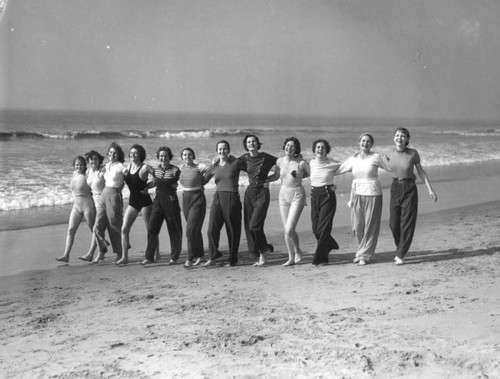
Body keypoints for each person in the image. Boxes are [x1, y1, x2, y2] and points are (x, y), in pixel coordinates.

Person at [338, 133, 391, 266]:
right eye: (363, 141)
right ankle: (362, 250)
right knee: (357, 226)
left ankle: (364, 255)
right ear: (359, 142)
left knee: (370, 227)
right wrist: (317, 168)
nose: (365, 143)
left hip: (373, 193)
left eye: (368, 141)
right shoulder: (354, 158)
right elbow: (339, 169)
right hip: (357, 193)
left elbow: (392, 168)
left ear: (371, 144)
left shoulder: (376, 157)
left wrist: (390, 158)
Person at [387, 127, 438, 265]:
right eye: (397, 135)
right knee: (393, 224)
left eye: (403, 136)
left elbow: (421, 172)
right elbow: (374, 161)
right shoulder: (388, 152)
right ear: (394, 138)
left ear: (407, 139)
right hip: (394, 187)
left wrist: (430, 189)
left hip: (409, 188)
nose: (399, 138)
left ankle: (400, 254)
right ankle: (401, 247)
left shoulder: (413, 153)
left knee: (407, 223)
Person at [239, 134, 278, 266]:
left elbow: (281, 163)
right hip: (249, 193)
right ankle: (263, 249)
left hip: (262, 193)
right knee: (253, 226)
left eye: (253, 141)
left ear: (257, 143)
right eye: (249, 142)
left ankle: (263, 251)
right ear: (246, 145)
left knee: (254, 226)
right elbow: (231, 165)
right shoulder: (244, 158)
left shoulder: (265, 157)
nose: (251, 143)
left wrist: (272, 178)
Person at [204, 140, 244, 267]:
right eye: (220, 149)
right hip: (217, 197)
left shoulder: (236, 162)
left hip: (232, 198)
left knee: (232, 230)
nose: (222, 151)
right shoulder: (214, 165)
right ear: (217, 151)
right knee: (211, 229)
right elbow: (203, 181)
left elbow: (253, 170)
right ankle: (213, 255)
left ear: (229, 150)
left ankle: (233, 259)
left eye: (225, 148)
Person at [141, 147, 182, 265]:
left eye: (166, 156)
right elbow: (154, 182)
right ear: (158, 157)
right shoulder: (156, 170)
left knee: (174, 230)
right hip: (158, 201)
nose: (163, 158)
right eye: (161, 156)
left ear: (170, 157)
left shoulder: (175, 170)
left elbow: (177, 184)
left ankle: (174, 257)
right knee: (152, 228)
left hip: (171, 201)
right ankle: (149, 257)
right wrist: (146, 187)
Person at [116, 144, 155, 265]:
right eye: (131, 153)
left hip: (145, 202)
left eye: (136, 153)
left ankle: (155, 254)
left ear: (141, 155)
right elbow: (121, 180)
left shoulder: (145, 168)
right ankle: (124, 257)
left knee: (150, 230)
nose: (133, 155)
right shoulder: (127, 167)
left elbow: (157, 177)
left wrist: (148, 186)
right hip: (132, 202)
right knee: (124, 229)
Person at [274, 137, 310, 266]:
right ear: (284, 147)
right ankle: (291, 257)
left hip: (297, 194)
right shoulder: (279, 161)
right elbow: (275, 176)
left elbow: (313, 173)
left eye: (292, 146)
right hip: (283, 194)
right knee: (286, 229)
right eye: (287, 145)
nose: (289, 148)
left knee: (290, 229)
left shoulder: (301, 163)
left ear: (296, 149)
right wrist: (262, 180)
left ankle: (298, 251)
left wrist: (301, 175)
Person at [56, 156, 97, 262]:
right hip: (76, 207)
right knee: (70, 230)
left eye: (81, 164)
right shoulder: (74, 174)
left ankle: (95, 252)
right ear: (74, 165)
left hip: (88, 206)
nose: (79, 166)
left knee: (94, 230)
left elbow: (97, 173)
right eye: (77, 164)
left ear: (85, 165)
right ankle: (66, 255)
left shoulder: (87, 173)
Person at [309, 139, 341, 266]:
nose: (320, 149)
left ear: (326, 150)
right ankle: (330, 243)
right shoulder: (311, 163)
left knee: (323, 228)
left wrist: (355, 157)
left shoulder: (332, 164)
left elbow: (346, 167)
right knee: (315, 229)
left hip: (327, 195)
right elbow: (303, 172)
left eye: (322, 148)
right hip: (313, 196)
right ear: (314, 150)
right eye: (318, 147)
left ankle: (321, 258)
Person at [94, 142, 128, 263]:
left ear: (119, 155)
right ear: (108, 153)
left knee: (114, 224)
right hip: (103, 194)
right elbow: (95, 174)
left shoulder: (120, 166)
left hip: (114, 195)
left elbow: (129, 176)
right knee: (98, 225)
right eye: (111, 152)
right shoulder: (106, 166)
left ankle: (120, 252)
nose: (112, 154)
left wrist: (123, 187)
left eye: (115, 153)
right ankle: (103, 246)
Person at [179, 147, 210, 268]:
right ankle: (201, 255)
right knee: (195, 230)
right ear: (182, 157)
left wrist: (203, 182)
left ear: (193, 156)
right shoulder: (181, 168)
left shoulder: (199, 167)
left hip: (198, 199)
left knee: (190, 230)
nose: (187, 157)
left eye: (190, 155)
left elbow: (212, 170)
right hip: (185, 199)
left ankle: (190, 259)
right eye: (185, 155)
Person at [77, 150, 110, 263]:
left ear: (99, 160)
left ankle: (92, 253)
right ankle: (101, 251)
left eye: (95, 159)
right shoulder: (89, 171)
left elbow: (114, 180)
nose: (93, 161)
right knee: (98, 228)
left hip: (102, 201)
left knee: (97, 228)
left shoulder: (103, 170)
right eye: (91, 159)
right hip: (93, 201)